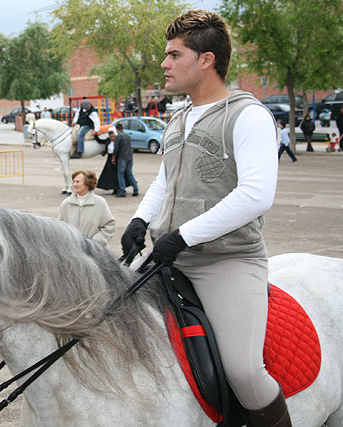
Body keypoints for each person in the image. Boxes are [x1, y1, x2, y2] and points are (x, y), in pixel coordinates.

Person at [121, 10, 289, 426]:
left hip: (226, 262)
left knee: (245, 372)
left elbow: (255, 195)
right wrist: (140, 221)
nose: (164, 64)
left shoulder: (247, 115)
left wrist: (182, 236)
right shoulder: (178, 119)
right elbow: (165, 180)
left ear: (206, 60)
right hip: (168, 256)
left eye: (174, 55)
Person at [59, 170, 115, 247]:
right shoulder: (66, 204)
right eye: (73, 182)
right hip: (72, 250)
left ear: (88, 183)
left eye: (78, 182)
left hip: (95, 252)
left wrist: (95, 242)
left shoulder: (100, 203)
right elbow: (60, 228)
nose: (74, 184)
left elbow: (109, 226)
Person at [112, 123, 139, 197]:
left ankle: (122, 191)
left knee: (120, 174)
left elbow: (116, 148)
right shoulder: (128, 136)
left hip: (122, 157)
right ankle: (136, 189)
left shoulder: (118, 136)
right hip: (130, 157)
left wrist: (114, 157)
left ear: (117, 129)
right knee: (129, 173)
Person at [96, 129, 121, 194]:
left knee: (117, 173)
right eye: (111, 137)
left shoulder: (118, 141)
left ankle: (118, 188)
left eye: (113, 136)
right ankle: (113, 187)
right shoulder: (108, 141)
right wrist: (95, 135)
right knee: (109, 173)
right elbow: (100, 141)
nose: (112, 138)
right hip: (109, 157)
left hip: (117, 157)